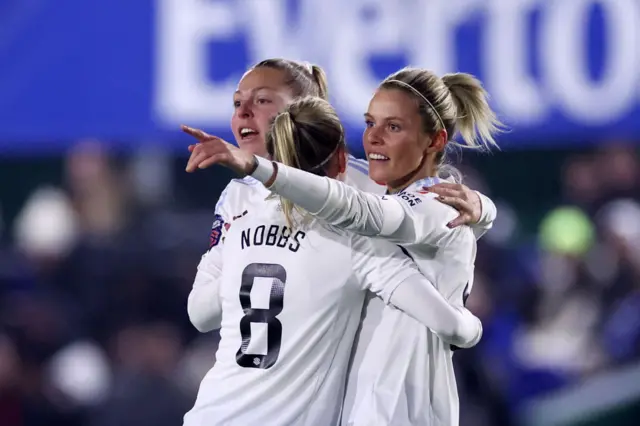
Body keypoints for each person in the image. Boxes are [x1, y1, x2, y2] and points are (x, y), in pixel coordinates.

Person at [183, 66, 502, 425]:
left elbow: (365, 211)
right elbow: (201, 312)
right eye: (238, 102)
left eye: (263, 101)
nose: (244, 113)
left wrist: (482, 210)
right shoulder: (242, 198)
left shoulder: (370, 191)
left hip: (395, 407)